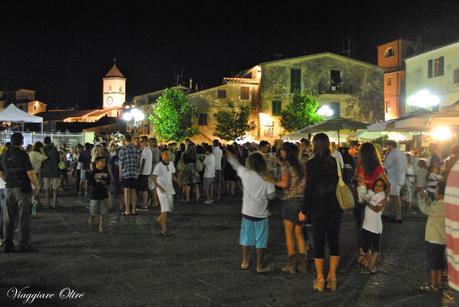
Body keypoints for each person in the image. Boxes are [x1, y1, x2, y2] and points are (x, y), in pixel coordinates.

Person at [302, 133, 342, 292]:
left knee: (318, 241)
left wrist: (304, 210)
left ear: (315, 145)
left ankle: (320, 278)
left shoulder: (310, 164)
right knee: (334, 241)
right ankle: (332, 277)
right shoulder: (335, 162)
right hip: (335, 207)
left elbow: (309, 189)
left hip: (317, 208)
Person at [226, 150, 276, 273]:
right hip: (261, 213)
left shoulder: (245, 173)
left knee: (246, 238)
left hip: (247, 212)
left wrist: (229, 154)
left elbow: (235, 164)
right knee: (261, 240)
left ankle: (244, 261)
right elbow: (272, 196)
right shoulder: (266, 178)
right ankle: (260, 265)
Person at [0, 133, 40, 253]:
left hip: (8, 188)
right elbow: (30, 173)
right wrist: (37, 186)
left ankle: (8, 243)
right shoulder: (23, 154)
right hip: (22, 187)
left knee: (9, 216)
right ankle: (23, 244)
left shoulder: (3, 154)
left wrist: (7, 180)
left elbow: (0, 172)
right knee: (23, 217)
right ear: (21, 141)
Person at [354, 142, 390, 266]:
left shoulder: (362, 166)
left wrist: (383, 199)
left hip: (365, 200)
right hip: (369, 199)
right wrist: (384, 199)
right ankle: (365, 255)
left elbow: (360, 182)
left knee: (363, 228)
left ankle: (364, 255)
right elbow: (388, 185)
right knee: (369, 228)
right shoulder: (377, 168)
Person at [276, 142, 307, 274]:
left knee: (289, 234)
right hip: (302, 202)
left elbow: (284, 183)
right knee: (299, 233)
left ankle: (291, 264)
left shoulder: (285, 166)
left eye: (282, 150)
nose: (281, 152)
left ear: (287, 152)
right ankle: (303, 264)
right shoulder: (302, 166)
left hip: (290, 201)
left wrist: (271, 180)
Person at [418, 180, 446, 292]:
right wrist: (427, 199)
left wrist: (421, 198)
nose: (434, 191)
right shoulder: (445, 204)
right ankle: (438, 283)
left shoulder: (439, 205)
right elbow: (431, 205)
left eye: (436, 189)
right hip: (442, 239)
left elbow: (425, 209)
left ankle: (433, 285)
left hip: (434, 239)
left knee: (433, 262)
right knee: (439, 262)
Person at [361, 178, 387, 274]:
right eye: (377, 185)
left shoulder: (383, 197)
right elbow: (362, 196)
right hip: (366, 225)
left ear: (384, 188)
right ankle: (371, 264)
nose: (378, 188)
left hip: (375, 226)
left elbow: (377, 209)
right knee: (365, 246)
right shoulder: (372, 194)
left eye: (381, 186)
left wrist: (366, 202)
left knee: (375, 247)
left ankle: (371, 267)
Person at [152, 148, 177, 236]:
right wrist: (159, 187)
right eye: (166, 154)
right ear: (161, 155)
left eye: (169, 154)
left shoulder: (171, 164)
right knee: (165, 209)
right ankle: (164, 229)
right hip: (161, 190)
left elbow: (172, 175)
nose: (167, 156)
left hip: (169, 189)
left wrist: (179, 182)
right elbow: (153, 177)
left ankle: (159, 219)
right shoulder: (159, 166)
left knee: (169, 208)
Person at [383, 140, 407, 223]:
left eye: (387, 145)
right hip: (400, 177)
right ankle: (386, 213)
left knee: (396, 198)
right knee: (392, 196)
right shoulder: (401, 153)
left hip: (394, 178)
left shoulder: (392, 153)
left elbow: (386, 165)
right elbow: (405, 165)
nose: (386, 147)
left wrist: (386, 156)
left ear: (390, 145)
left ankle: (398, 217)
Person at [118, 135, 142, 216]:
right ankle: (134, 210)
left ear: (125, 141)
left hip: (126, 173)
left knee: (126, 192)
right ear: (131, 140)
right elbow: (139, 162)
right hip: (135, 173)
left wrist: (120, 173)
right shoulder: (137, 149)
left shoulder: (122, 150)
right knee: (134, 192)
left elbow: (121, 163)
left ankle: (127, 210)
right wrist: (138, 171)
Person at [88, 157, 110, 233]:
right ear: (97, 163)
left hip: (104, 194)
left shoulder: (106, 171)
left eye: (104, 161)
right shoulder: (93, 172)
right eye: (102, 162)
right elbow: (90, 182)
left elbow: (108, 181)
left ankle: (101, 226)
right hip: (95, 194)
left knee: (103, 211)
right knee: (93, 211)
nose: (104, 163)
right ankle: (91, 217)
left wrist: (104, 181)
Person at [41, 136, 61, 209]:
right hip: (55, 171)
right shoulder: (55, 150)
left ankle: (47, 204)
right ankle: (54, 204)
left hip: (45, 171)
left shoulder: (42, 150)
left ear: (44, 142)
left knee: (46, 188)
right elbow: (58, 160)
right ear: (50, 141)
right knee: (55, 188)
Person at [138, 136, 153, 209]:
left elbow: (143, 161)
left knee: (144, 189)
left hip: (144, 172)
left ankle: (145, 204)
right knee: (144, 189)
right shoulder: (146, 150)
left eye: (141, 141)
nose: (140, 143)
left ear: (144, 142)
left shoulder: (146, 150)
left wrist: (140, 171)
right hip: (145, 172)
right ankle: (145, 203)